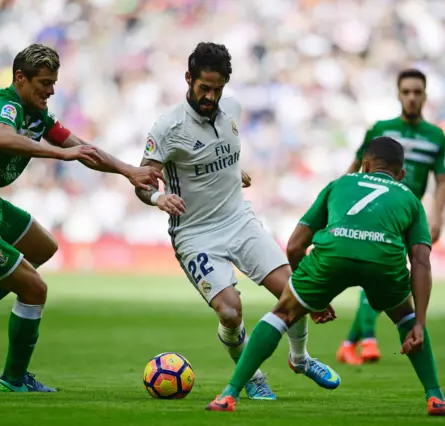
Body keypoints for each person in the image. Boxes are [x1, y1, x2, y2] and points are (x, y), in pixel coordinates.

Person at [0, 44, 163, 392]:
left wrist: (128, 170)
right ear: (20, 78)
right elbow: (1, 138)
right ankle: (13, 379)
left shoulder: (38, 116)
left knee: (43, 246)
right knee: (35, 288)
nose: (51, 90)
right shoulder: (5, 106)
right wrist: (60, 154)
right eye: (44, 82)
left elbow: (83, 148)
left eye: (54, 82)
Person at [135, 42, 339, 401]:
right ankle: (253, 375)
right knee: (230, 312)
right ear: (188, 79)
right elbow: (142, 181)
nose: (210, 97)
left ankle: (301, 359)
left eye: (217, 89)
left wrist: (232, 173)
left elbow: (217, 154)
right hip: (195, 234)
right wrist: (157, 197)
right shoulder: (167, 127)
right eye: (204, 88)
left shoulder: (232, 108)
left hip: (239, 220)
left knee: (297, 293)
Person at [206, 136, 445, 416]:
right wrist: (420, 322)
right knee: (406, 318)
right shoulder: (409, 198)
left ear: (364, 165)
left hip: (333, 255)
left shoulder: (340, 184)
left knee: (282, 313)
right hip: (383, 262)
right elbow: (421, 260)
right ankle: (436, 398)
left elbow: (295, 245)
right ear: (401, 174)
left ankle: (229, 395)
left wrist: (308, 296)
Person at [337, 69, 445, 365]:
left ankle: (349, 344)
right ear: (398, 95)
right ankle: (369, 340)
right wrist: (340, 204)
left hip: (409, 216)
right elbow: (356, 167)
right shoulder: (380, 129)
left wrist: (438, 216)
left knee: (383, 275)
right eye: (406, 92)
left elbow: (441, 182)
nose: (412, 98)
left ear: (425, 96)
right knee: (377, 273)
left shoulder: (436, 136)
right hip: (376, 215)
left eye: (417, 92)